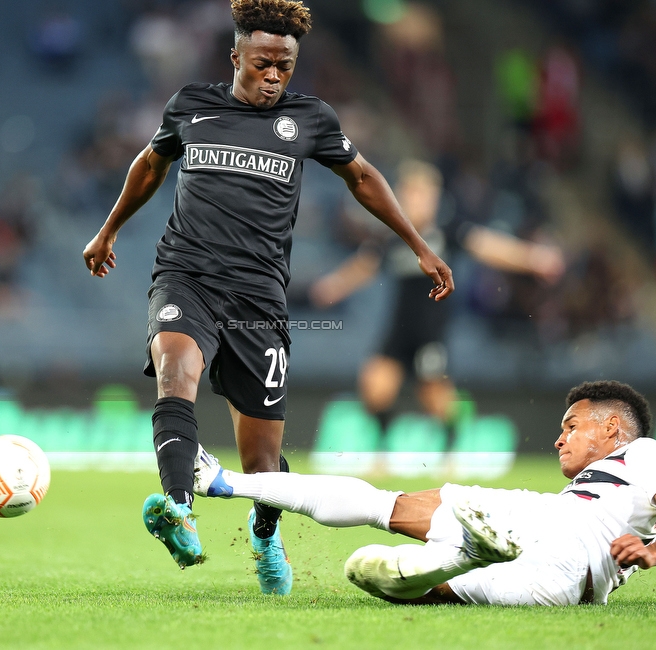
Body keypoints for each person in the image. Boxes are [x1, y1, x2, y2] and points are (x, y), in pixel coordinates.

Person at [81, 0, 454, 596]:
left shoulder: (310, 120)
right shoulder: (191, 107)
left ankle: (264, 535)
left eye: (285, 65)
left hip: (259, 301)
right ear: (235, 58)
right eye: (263, 63)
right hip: (187, 277)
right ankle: (179, 509)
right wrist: (108, 230)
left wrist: (417, 244)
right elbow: (150, 164)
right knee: (175, 372)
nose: (275, 76)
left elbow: (361, 177)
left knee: (262, 464)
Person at [193, 380, 656, 605]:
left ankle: (459, 552)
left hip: (562, 540)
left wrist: (653, 553)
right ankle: (455, 560)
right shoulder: (600, 484)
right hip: (564, 583)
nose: (559, 437)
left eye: (572, 425)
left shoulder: (646, 452)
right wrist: (644, 550)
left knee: (388, 509)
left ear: (611, 430)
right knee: (424, 589)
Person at [310, 160, 564, 432]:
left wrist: (532, 258)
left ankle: (457, 443)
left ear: (435, 198)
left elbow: (489, 246)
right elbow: (364, 265)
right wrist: (335, 285)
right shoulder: (393, 236)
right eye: (410, 193)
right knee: (374, 388)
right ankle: (385, 451)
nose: (416, 201)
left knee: (435, 400)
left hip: (430, 330)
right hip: (399, 329)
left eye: (423, 194)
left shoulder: (447, 232)